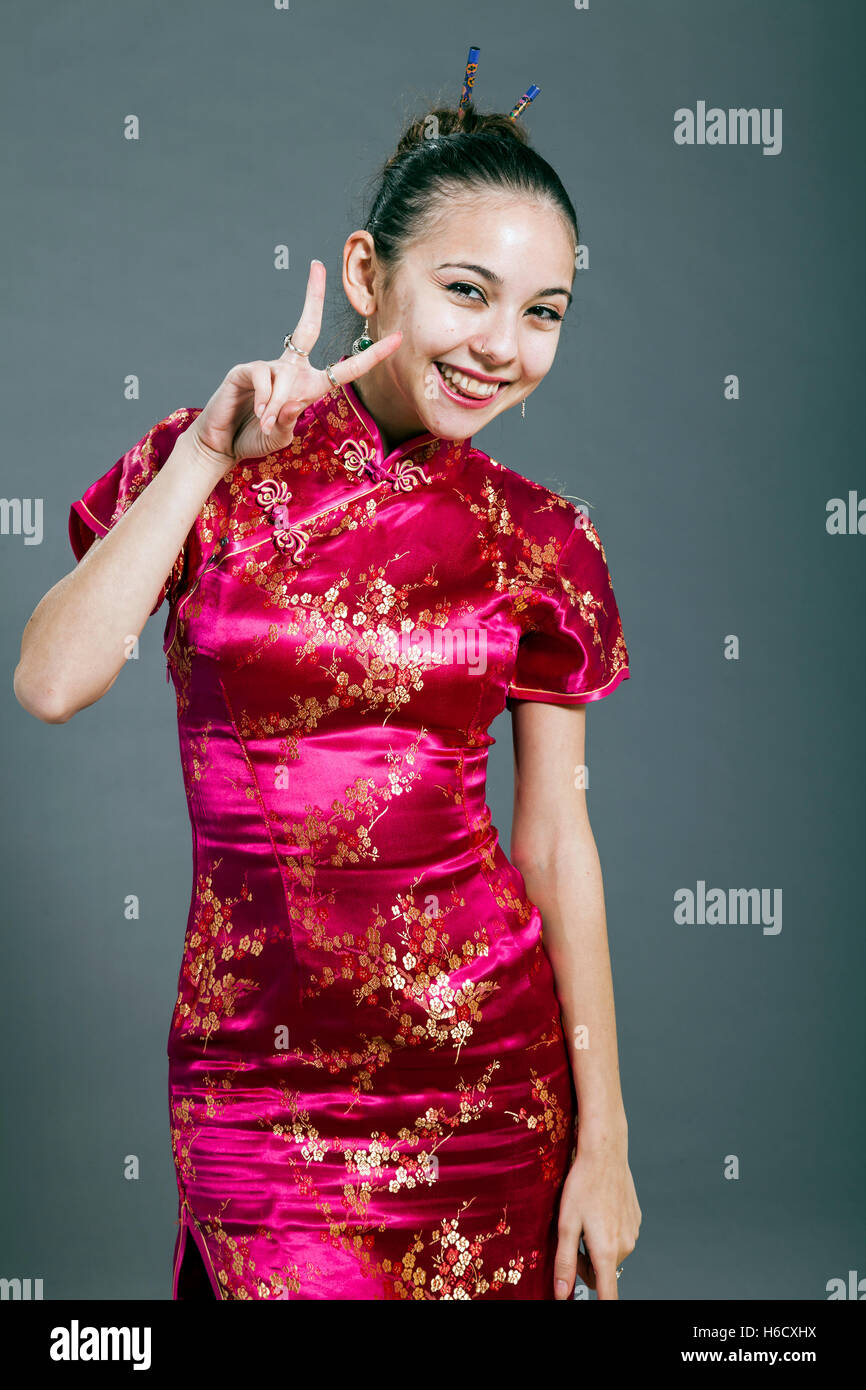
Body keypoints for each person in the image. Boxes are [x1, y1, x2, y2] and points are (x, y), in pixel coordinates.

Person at [14, 60, 640, 1301]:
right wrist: (202, 453)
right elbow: (50, 679)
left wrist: (606, 1135)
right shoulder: (218, 463)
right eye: (466, 292)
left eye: (543, 311)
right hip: (259, 1085)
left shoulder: (542, 537)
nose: (500, 348)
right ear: (365, 275)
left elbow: (557, 842)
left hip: (489, 1088)